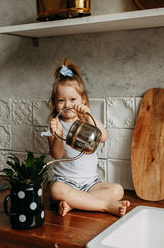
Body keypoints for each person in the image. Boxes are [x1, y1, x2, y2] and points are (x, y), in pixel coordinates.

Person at [43, 58, 130, 217]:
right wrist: (58, 135)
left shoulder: (86, 121)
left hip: (90, 184)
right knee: (56, 190)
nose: (67, 105)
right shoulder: (56, 125)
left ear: (83, 100)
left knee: (118, 190)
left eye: (73, 99)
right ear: (55, 103)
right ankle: (105, 206)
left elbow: (103, 137)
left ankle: (73, 204)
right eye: (61, 100)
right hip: (66, 183)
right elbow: (56, 155)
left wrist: (88, 115)